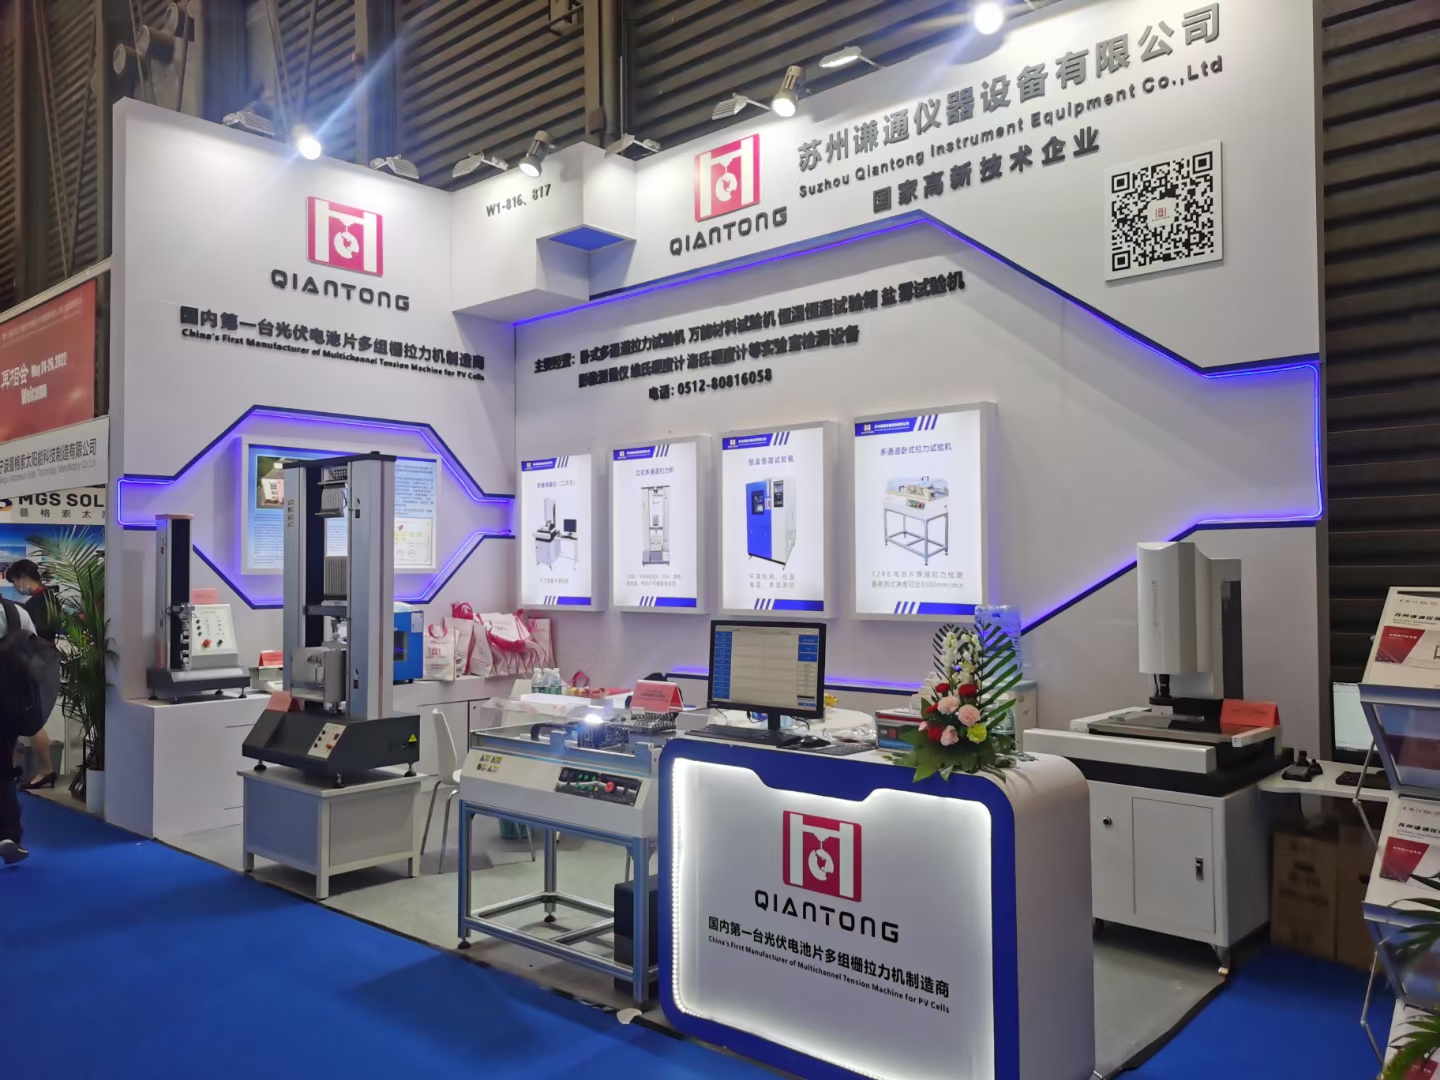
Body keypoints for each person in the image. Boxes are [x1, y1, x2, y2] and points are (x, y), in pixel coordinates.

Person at [5, 559, 58, 789]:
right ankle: (17, 768)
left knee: (30, 719)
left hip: (33, 666)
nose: (16, 587)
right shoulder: (47, 598)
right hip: (37, 663)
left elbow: (34, 635)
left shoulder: (37, 603)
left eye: (15, 582)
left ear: (23, 578)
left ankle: (46, 769)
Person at [0, 596, 37, 865]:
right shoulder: (16, 612)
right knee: (3, 768)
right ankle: (8, 835)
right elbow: (35, 655)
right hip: (8, 703)